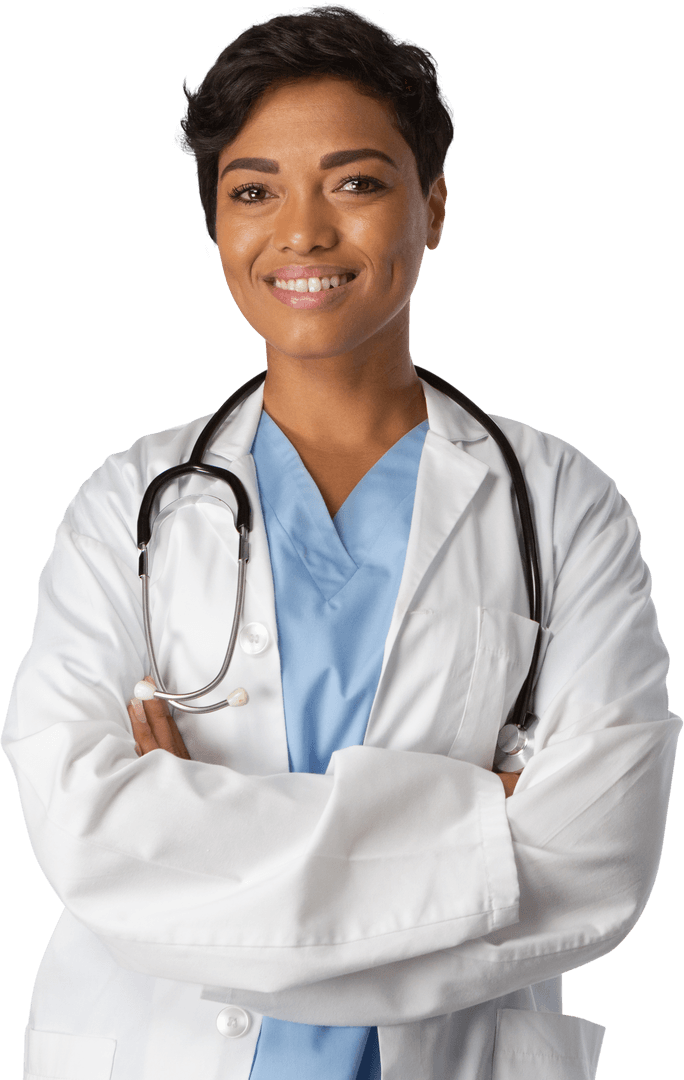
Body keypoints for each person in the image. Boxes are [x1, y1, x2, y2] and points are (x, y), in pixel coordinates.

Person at [2, 5, 680, 1079]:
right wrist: (473, 824)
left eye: (357, 182)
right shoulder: (126, 502)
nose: (303, 232)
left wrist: (202, 850)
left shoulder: (563, 505)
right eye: (254, 190)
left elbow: (596, 860)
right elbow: (86, 835)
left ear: (436, 206)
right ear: (216, 224)